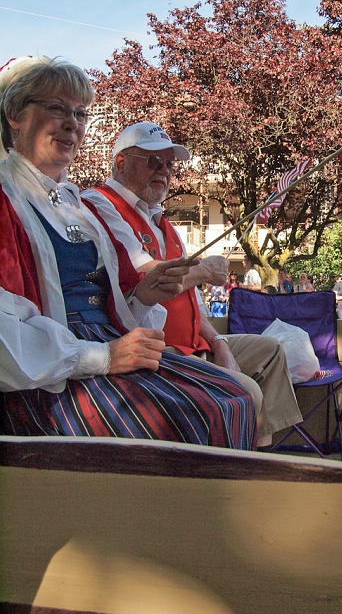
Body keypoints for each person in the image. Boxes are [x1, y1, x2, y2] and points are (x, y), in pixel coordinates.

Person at [0, 57, 257, 448]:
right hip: (47, 376)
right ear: (14, 116)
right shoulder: (9, 200)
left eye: (80, 113)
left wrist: (142, 296)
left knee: (234, 397)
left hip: (106, 345)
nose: (72, 123)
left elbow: (111, 304)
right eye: (56, 108)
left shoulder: (73, 205)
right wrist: (101, 357)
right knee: (195, 412)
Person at [82, 121, 302, 448]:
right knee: (248, 390)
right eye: (153, 161)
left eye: (170, 164)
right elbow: (145, 276)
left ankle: (259, 454)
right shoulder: (100, 204)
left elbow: (195, 304)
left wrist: (220, 345)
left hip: (195, 346)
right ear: (121, 163)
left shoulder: (165, 226)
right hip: (155, 351)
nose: (164, 171)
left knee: (271, 352)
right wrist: (205, 271)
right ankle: (243, 468)